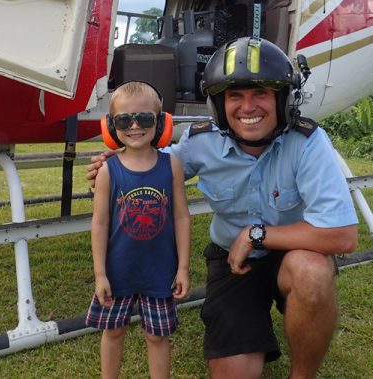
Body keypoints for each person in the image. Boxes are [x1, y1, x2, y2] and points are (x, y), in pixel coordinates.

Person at [87, 37, 358, 379]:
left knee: (311, 271)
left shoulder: (309, 142)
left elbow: (343, 235)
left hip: (293, 254)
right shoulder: (201, 141)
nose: (248, 107)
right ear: (218, 103)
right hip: (232, 261)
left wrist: (257, 234)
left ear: (282, 97)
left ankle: (302, 375)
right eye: (235, 96)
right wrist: (111, 169)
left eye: (260, 92)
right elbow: (151, 171)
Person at [85, 81, 191, 379]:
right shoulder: (107, 171)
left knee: (157, 337)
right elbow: (100, 223)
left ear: (160, 123)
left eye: (145, 118)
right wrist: (100, 273)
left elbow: (182, 217)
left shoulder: (172, 166)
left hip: (160, 271)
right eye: (123, 120)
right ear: (110, 125)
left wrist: (182, 267)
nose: (134, 126)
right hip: (117, 272)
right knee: (113, 331)